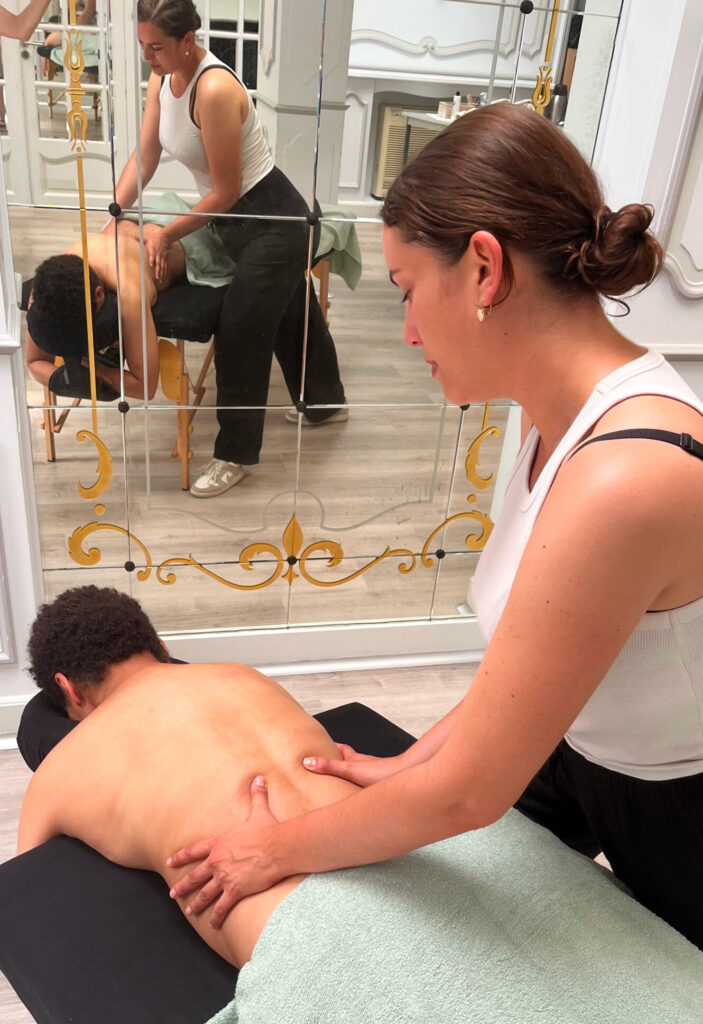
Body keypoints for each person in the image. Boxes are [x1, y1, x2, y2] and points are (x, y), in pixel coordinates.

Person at [166, 103, 703, 951]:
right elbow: (531, 666)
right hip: (579, 754)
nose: (408, 331)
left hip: (678, 813)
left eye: (408, 290)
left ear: (484, 267)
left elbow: (467, 796)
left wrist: (268, 848)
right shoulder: (556, 420)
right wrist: (412, 763)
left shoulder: (624, 476)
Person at [17, 585, 359, 968]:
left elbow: (27, 899)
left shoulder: (62, 766)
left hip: (316, 955)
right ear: (163, 649)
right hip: (386, 857)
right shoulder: (244, 674)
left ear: (68, 688)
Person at [115, 0, 347, 499]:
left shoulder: (215, 89)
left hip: (275, 219)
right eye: (143, 46)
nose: (148, 57)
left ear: (188, 39)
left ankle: (234, 455)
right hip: (234, 221)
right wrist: (114, 209)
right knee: (289, 308)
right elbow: (146, 156)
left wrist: (166, 234)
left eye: (157, 47)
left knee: (241, 325)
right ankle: (325, 402)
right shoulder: (162, 78)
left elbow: (224, 190)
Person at [25, 218, 187, 399]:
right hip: (127, 227)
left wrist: (95, 374)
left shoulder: (129, 293)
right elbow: (34, 362)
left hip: (182, 241)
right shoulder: (42, 290)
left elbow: (145, 388)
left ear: (99, 293)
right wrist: (68, 377)